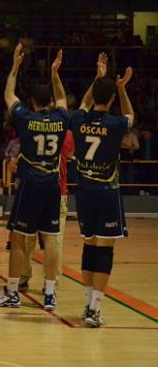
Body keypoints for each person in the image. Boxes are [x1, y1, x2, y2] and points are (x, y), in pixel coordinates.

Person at [0, 45, 69, 311]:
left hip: (30, 185)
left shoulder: (26, 117)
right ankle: (50, 293)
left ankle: (12, 292)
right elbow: (63, 99)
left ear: (32, 102)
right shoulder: (61, 117)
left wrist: (15, 65)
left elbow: (8, 93)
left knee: (19, 238)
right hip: (53, 186)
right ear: (51, 102)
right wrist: (55, 73)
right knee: (51, 239)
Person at [71, 59, 134, 327]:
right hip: (107, 192)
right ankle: (95, 309)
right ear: (111, 100)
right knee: (104, 251)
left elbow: (84, 105)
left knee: (89, 246)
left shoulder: (78, 119)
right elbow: (131, 116)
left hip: (84, 193)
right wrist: (122, 88)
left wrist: (97, 79)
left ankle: (87, 304)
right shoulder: (115, 123)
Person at [19, 129, 74, 292]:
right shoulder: (67, 133)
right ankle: (52, 282)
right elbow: (70, 154)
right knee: (55, 241)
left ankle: (23, 276)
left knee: (27, 238)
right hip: (57, 191)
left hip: (33, 190)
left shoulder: (33, 128)